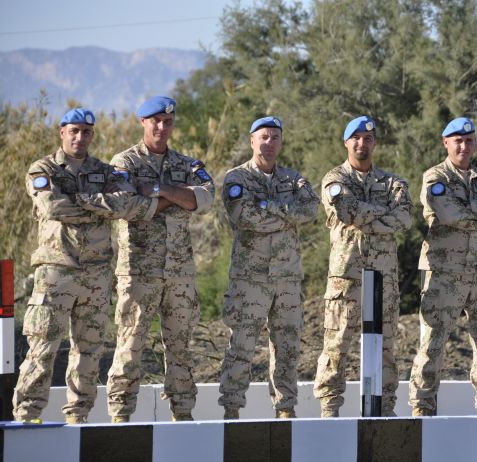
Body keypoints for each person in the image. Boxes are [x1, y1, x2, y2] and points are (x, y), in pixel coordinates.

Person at [13, 108, 157, 424]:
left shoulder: (107, 172)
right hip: (56, 271)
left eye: (86, 132)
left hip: (96, 274)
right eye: (74, 131)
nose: (80, 137)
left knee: (89, 351)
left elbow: (126, 204)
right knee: (42, 347)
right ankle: (27, 415)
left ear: (92, 135)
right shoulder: (44, 168)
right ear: (62, 132)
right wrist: (100, 206)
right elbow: (52, 206)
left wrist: (79, 200)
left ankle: (79, 416)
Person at [106, 96, 215, 423]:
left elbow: (205, 198)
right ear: (143, 122)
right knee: (130, 346)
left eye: (168, 122)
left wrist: (159, 189)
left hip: (180, 274)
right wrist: (179, 195)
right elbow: (126, 207)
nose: (162, 127)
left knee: (180, 348)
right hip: (139, 272)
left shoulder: (186, 164)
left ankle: (183, 414)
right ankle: (120, 417)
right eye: (156, 121)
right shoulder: (125, 162)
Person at [409, 117, 477, 417]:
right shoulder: (436, 177)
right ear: (446, 143)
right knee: (433, 341)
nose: (464, 146)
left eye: (469, 141)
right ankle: (422, 405)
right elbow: (448, 213)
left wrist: (472, 209)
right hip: (444, 272)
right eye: (458, 141)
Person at [218, 116, 319, 419]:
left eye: (275, 137)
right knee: (242, 346)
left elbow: (311, 209)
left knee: (287, 346)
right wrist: (287, 215)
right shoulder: (237, 179)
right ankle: (232, 409)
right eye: (263, 137)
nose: (269, 143)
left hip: (287, 277)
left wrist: (269, 207)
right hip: (250, 279)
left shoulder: (293, 179)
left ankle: (285, 408)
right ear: (252, 141)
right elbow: (245, 217)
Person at [313, 116, 412, 417]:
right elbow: (346, 210)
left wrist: (364, 216)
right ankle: (330, 409)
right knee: (336, 346)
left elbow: (403, 218)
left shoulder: (393, 183)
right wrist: (382, 214)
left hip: (383, 278)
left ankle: (386, 409)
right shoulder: (334, 179)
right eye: (356, 138)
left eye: (368, 138)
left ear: (375, 143)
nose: (362, 143)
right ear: (346, 142)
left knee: (385, 348)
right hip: (347, 277)